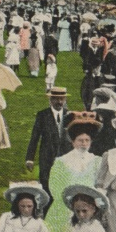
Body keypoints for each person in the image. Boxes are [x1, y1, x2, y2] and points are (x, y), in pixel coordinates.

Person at [44, 114, 103, 232]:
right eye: (80, 140)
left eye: (87, 141)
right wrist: (71, 205)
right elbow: (55, 187)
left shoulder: (97, 161)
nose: (84, 144)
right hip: (64, 209)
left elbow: (99, 185)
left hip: (88, 210)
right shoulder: (61, 162)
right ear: (72, 141)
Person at [25, 88, 72, 216]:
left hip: (65, 158)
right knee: (46, 187)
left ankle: (61, 215)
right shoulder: (42, 115)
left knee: (63, 186)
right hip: (47, 158)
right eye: (56, 99)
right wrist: (30, 158)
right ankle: (46, 215)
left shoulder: (70, 116)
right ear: (50, 100)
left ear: (65, 100)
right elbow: (35, 137)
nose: (59, 102)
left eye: (62, 99)